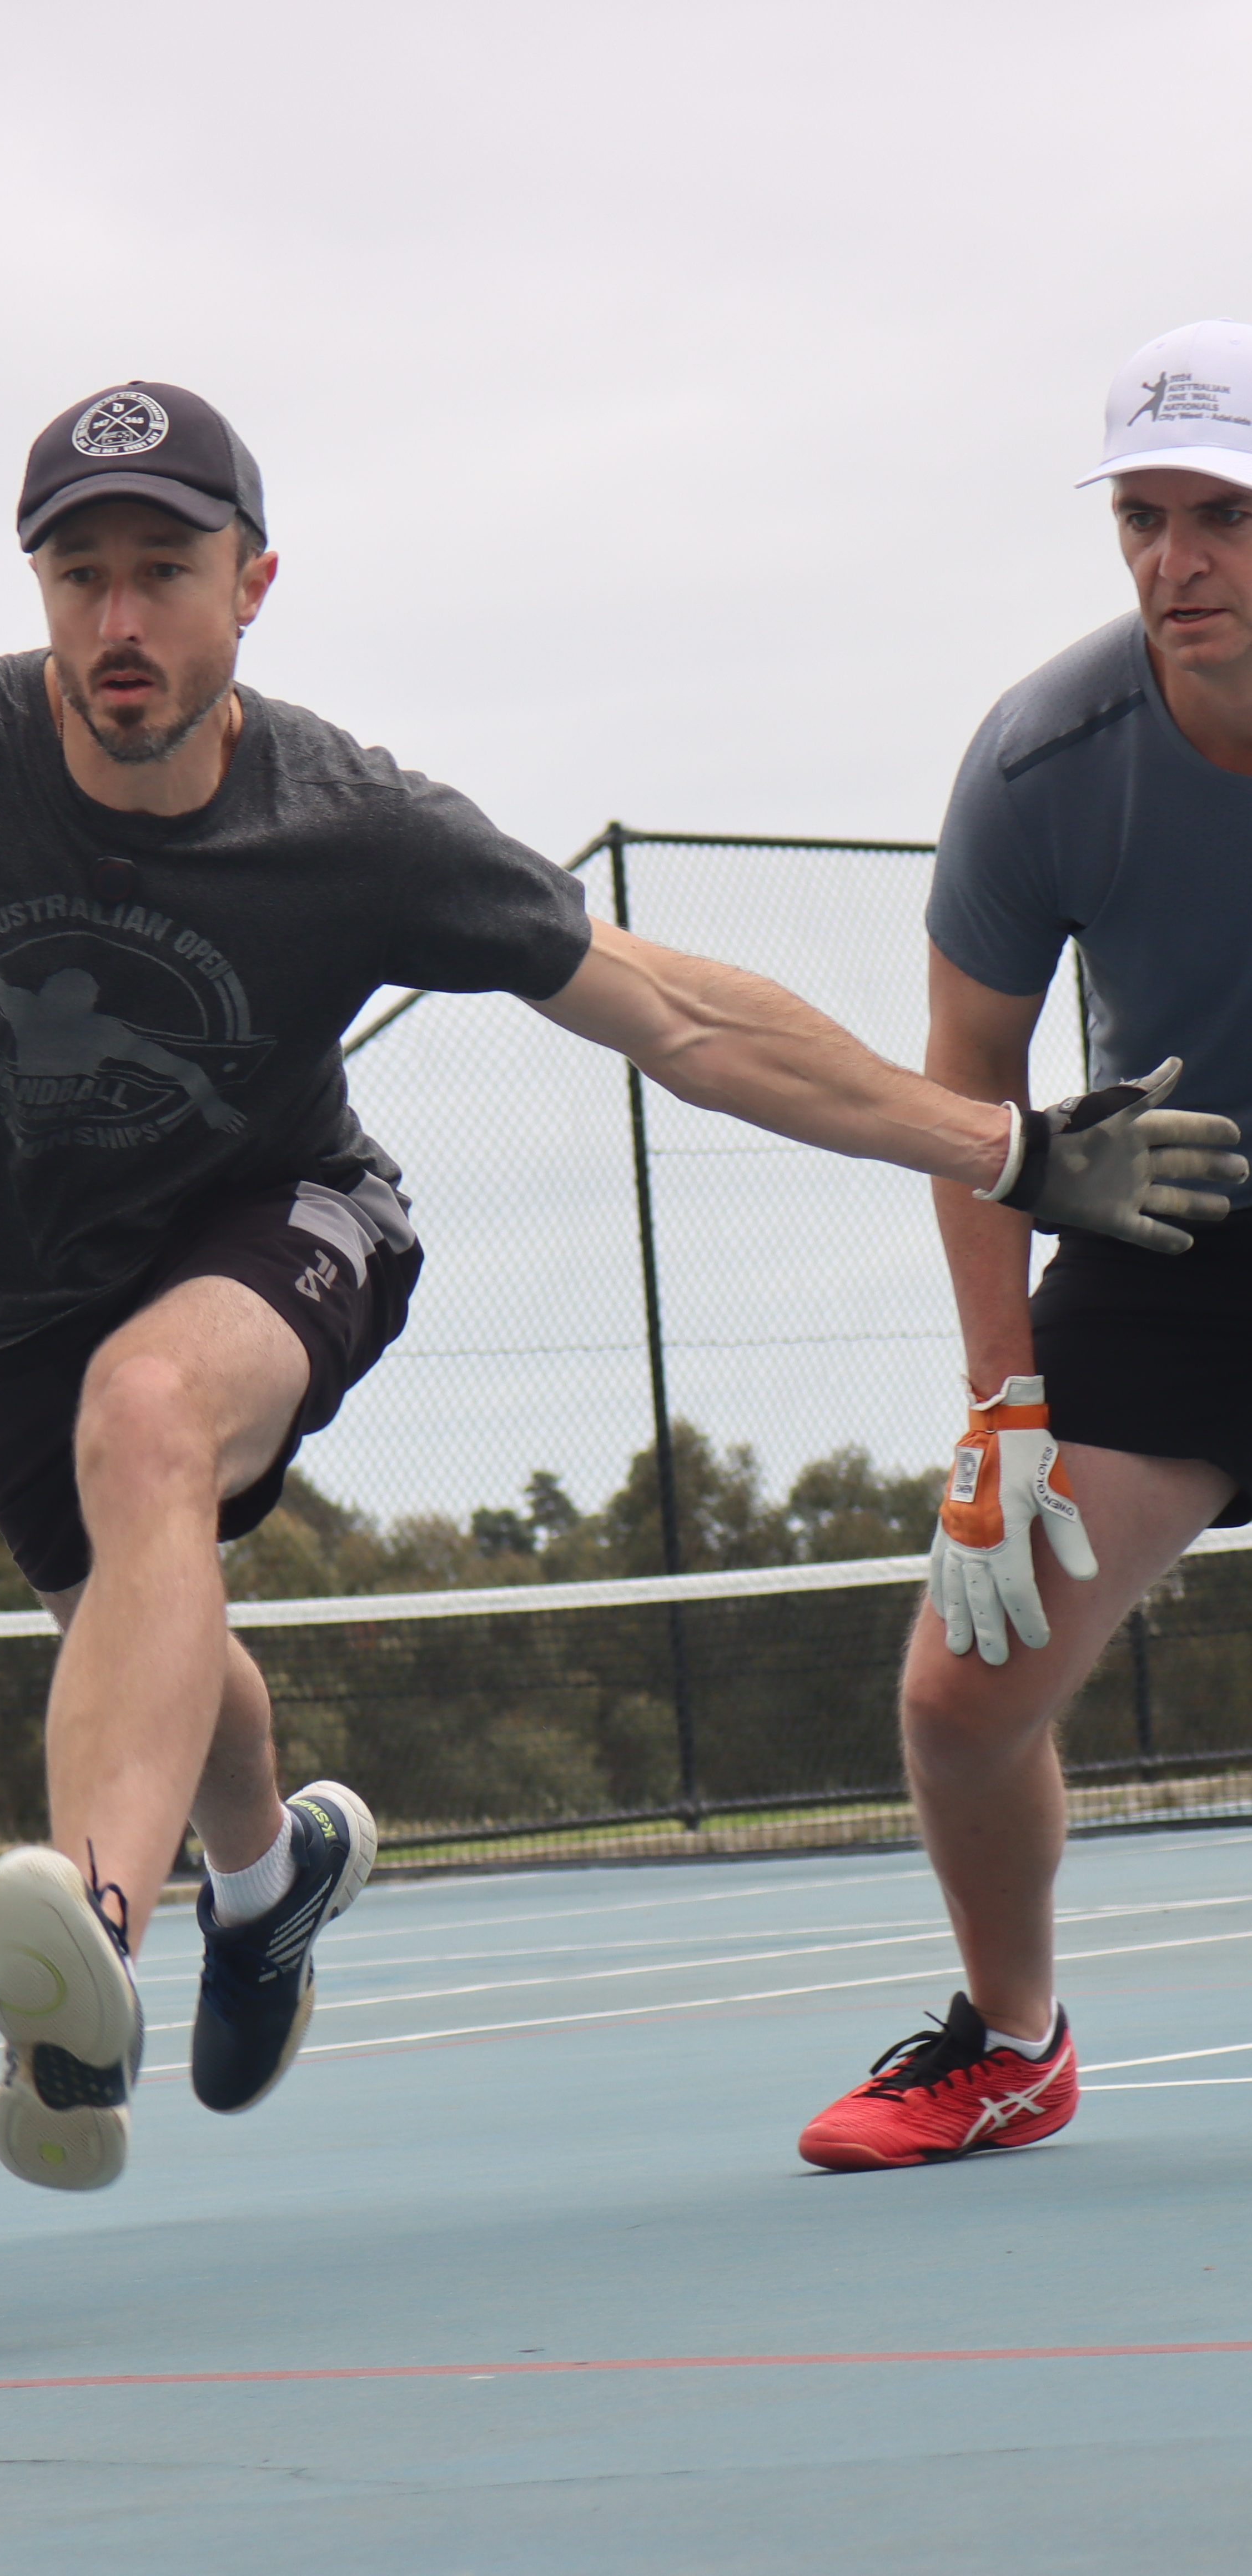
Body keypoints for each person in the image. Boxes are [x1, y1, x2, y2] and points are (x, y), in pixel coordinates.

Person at [0, 380, 1234, 2195]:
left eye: (164, 570)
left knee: (149, 1420)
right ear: (37, 591)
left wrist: (999, 1148)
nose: (120, 619)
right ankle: (265, 1873)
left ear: (253, 584)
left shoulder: (354, 827)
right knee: (168, 1647)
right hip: (9, 1295)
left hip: (292, 1221)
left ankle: (92, 1954)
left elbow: (679, 1016)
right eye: (80, 574)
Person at [798, 318, 1252, 2171]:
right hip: (1176, 1227)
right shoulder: (1045, 759)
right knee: (960, 1693)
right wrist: (1001, 1406)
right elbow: (967, 1095)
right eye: (1144, 518)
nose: (1178, 562)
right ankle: (1010, 2045)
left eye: (1224, 515)